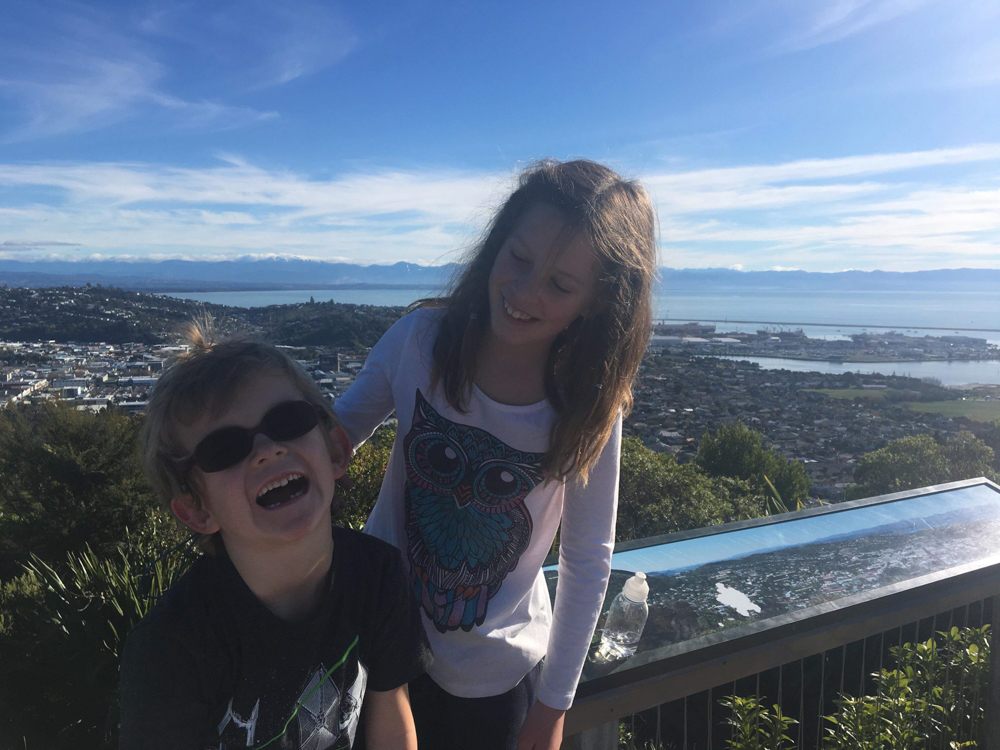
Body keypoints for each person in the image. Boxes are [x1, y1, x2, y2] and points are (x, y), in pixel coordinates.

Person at [333, 159, 657, 750]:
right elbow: (333, 440)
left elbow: (587, 558)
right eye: (519, 257)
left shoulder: (588, 405)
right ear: (497, 243)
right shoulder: (420, 341)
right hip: (376, 641)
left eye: (560, 285)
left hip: (494, 676)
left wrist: (553, 705)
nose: (525, 291)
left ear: (595, 301)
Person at [119, 330, 432, 750]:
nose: (267, 449)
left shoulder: (378, 577)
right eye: (224, 449)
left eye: (288, 422)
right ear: (197, 510)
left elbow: (392, 722)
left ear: (337, 451)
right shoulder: (172, 649)